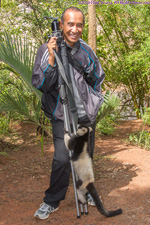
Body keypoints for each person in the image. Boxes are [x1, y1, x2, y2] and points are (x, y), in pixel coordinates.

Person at [32, 6, 105, 220]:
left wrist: (92, 101)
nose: (75, 29)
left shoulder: (86, 50)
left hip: (84, 114)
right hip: (60, 113)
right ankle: (52, 200)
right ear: (61, 25)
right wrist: (53, 58)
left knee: (84, 156)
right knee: (62, 159)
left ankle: (86, 193)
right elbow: (42, 84)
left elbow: (96, 78)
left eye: (79, 24)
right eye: (70, 24)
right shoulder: (46, 49)